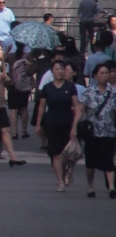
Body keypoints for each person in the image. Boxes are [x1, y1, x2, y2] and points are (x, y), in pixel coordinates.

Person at [37, 59, 84, 192]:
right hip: (51, 122)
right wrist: (38, 124)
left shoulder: (70, 87)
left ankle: (66, 174)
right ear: (52, 71)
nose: (60, 71)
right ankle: (60, 180)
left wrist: (75, 124)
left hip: (67, 122)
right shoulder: (47, 88)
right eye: (57, 69)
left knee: (68, 153)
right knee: (56, 153)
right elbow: (42, 106)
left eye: (62, 69)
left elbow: (76, 105)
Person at [79, 60, 116, 199]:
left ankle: (111, 187)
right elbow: (81, 109)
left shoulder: (113, 92)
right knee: (90, 162)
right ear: (95, 75)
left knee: (109, 159)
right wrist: (75, 126)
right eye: (102, 73)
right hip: (92, 132)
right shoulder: (89, 92)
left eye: (107, 72)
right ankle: (90, 186)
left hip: (109, 131)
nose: (106, 75)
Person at [9, 46, 35, 138]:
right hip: (23, 84)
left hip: (13, 84)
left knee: (13, 109)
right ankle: (24, 131)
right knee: (24, 108)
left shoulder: (11, 56)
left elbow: (2, 60)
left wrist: (8, 49)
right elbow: (31, 70)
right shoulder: (27, 56)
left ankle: (14, 132)